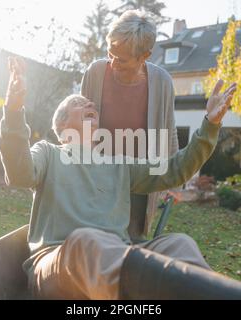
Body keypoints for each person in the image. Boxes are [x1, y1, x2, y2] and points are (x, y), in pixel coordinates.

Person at [0, 57, 241, 300]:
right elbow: (18, 171)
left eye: (92, 104)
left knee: (179, 244)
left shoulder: (119, 163)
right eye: (80, 104)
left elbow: (176, 168)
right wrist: (14, 111)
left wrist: (210, 126)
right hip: (58, 265)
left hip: (114, 257)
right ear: (63, 126)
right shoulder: (49, 153)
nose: (91, 104)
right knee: (89, 241)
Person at [80, 10, 179, 241]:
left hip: (139, 185)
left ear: (145, 55)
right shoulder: (95, 73)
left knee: (132, 245)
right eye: (110, 53)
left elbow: (169, 133)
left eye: (122, 59)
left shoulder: (162, 82)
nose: (113, 63)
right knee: (94, 244)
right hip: (97, 181)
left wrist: (174, 179)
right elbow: (77, 123)